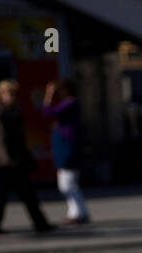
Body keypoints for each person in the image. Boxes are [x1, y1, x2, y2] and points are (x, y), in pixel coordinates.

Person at [0, 79, 53, 234]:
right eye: (9, 93)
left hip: (17, 159)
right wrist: (5, 159)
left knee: (26, 194)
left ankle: (40, 223)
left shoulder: (13, 110)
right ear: (0, 94)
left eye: (14, 93)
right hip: (6, 162)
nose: (12, 96)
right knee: (3, 196)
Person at [42, 79, 89, 224]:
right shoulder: (70, 104)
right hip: (66, 148)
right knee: (69, 183)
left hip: (68, 150)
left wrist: (48, 95)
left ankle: (79, 212)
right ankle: (75, 212)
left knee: (67, 184)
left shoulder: (70, 103)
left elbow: (48, 112)